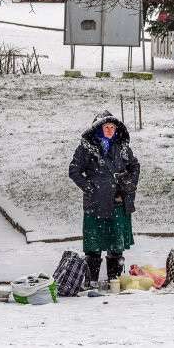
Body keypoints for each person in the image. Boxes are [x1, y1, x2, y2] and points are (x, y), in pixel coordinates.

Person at [69, 111, 140, 284]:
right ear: (98, 129)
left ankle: (114, 280)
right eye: (106, 127)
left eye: (112, 127)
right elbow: (74, 170)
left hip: (118, 203)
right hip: (96, 203)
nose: (109, 130)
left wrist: (129, 182)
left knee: (117, 244)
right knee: (93, 245)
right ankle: (91, 281)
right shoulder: (86, 148)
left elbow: (135, 166)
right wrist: (90, 188)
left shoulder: (122, 147)